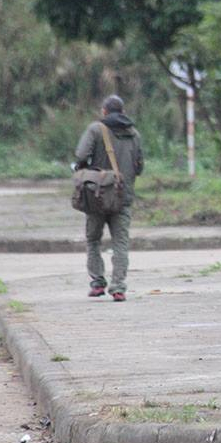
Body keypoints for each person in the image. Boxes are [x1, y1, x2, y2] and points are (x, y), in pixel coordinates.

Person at [74, 94, 144, 302]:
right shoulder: (134, 134)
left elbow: (80, 155)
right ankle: (118, 287)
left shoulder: (96, 129)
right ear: (122, 111)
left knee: (93, 239)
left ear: (104, 111)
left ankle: (97, 282)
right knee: (121, 242)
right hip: (123, 195)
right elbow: (139, 166)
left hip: (97, 195)